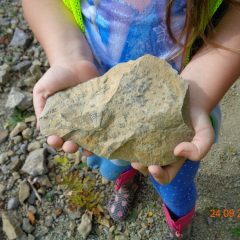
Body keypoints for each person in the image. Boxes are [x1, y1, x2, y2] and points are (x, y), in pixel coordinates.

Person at [22, 0, 240, 239]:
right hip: (96, 94)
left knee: (175, 182)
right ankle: (130, 178)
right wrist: (69, 57)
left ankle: (180, 219)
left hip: (180, 108)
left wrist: (197, 95)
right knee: (114, 161)